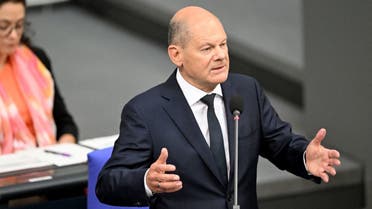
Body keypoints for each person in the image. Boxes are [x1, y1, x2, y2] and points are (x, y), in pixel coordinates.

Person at [96, 6, 341, 209]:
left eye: (223, 45)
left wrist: (305, 156)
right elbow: (108, 184)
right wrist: (147, 181)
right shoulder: (145, 111)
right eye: (207, 48)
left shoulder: (246, 91)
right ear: (176, 55)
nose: (221, 55)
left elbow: (280, 143)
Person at [0, 0, 78, 155]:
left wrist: (64, 148)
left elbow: (65, 122)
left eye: (19, 25)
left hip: (46, 165)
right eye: (3, 27)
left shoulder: (35, 61)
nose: (14, 35)